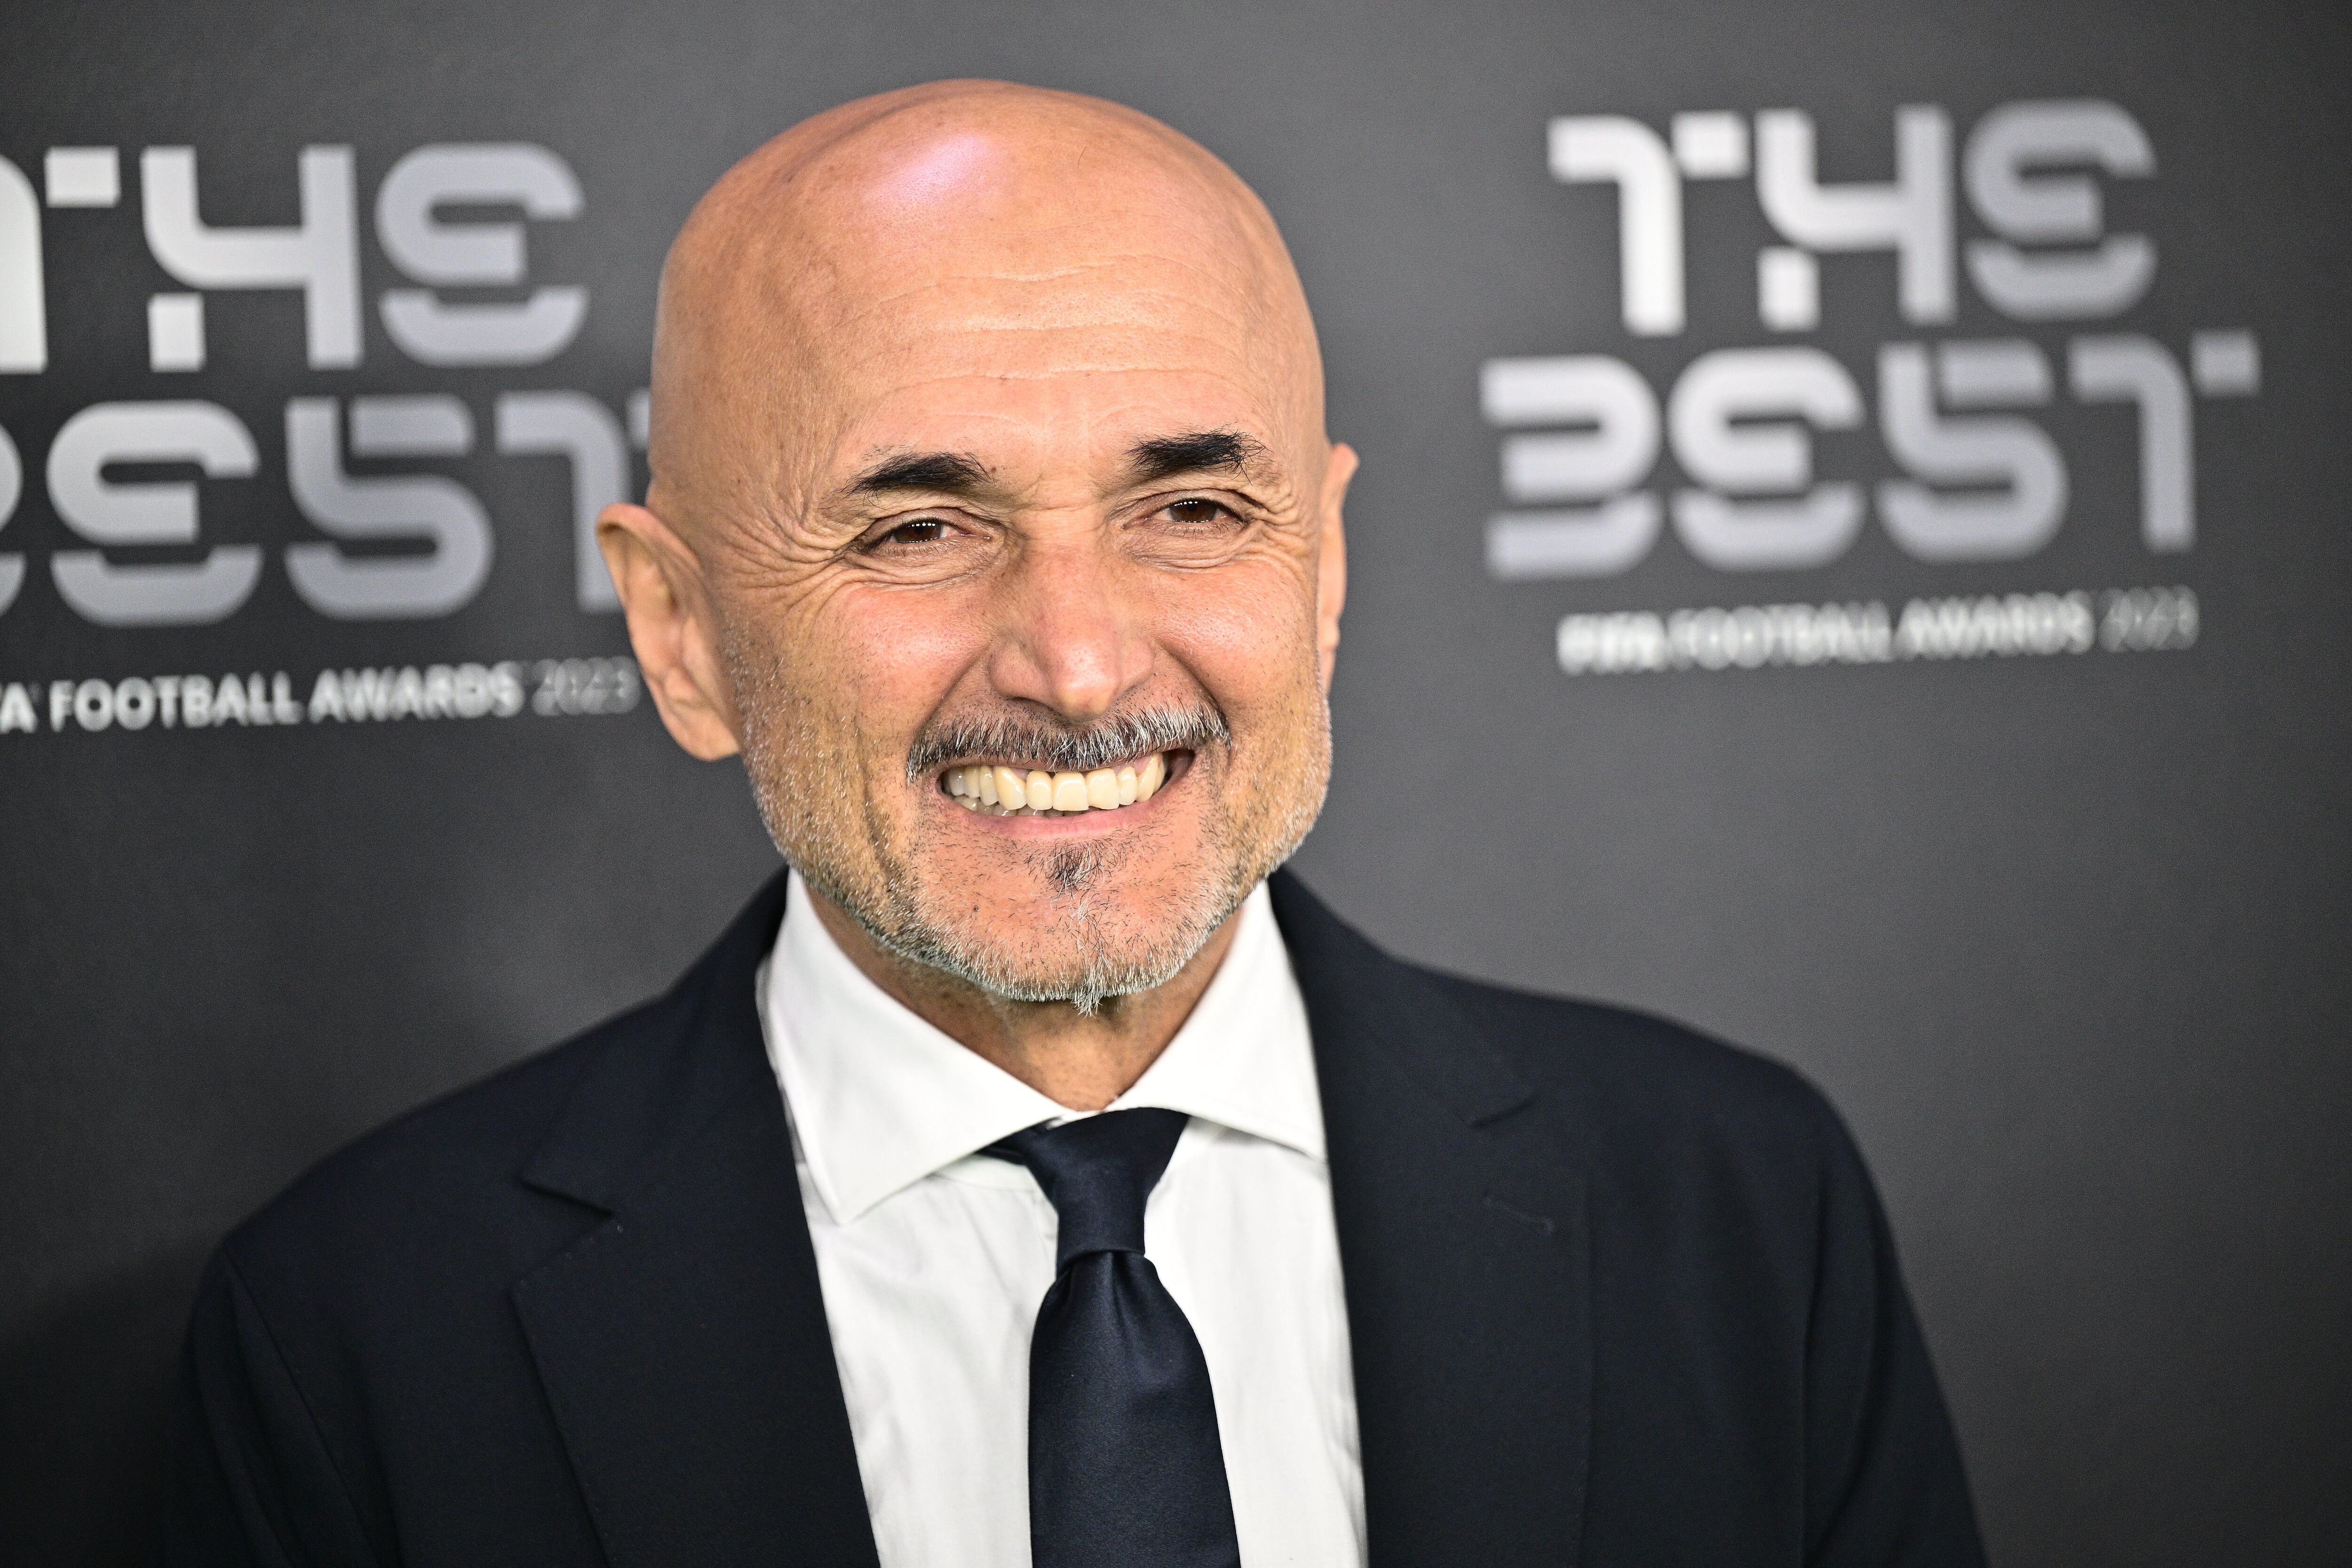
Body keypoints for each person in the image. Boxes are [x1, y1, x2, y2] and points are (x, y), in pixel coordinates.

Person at [164, 80, 1983, 1568]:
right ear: (684, 634)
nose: (1084, 658)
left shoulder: (1744, 1217)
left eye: (1191, 507)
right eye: (918, 529)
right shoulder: (355, 1342)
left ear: (1327, 567)